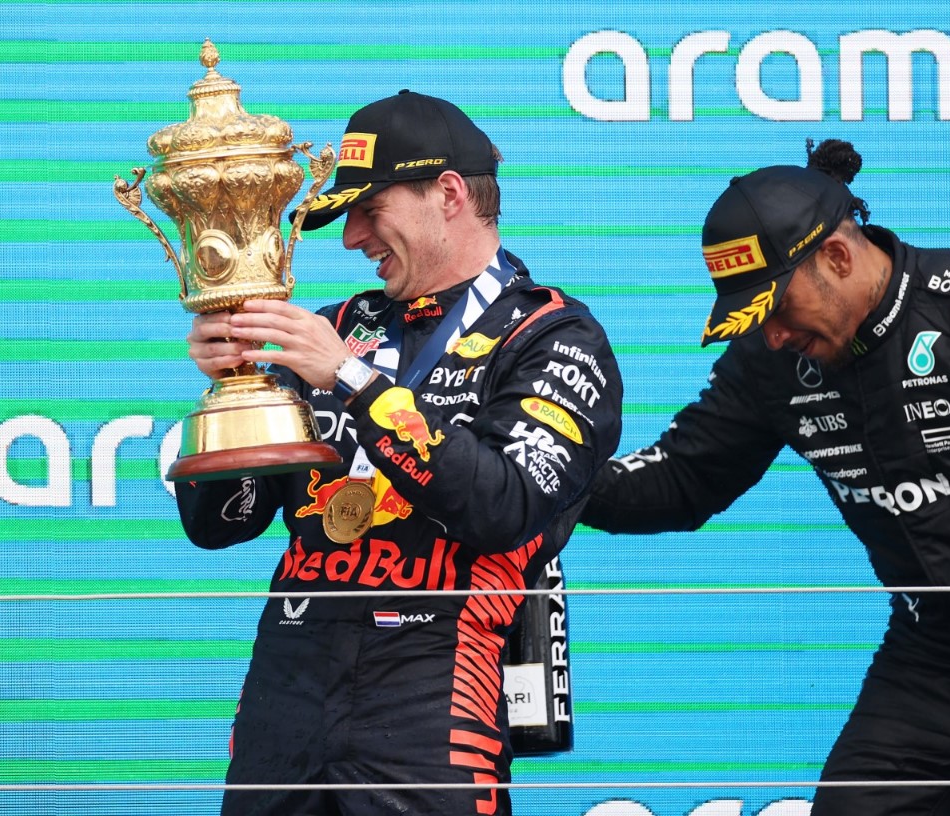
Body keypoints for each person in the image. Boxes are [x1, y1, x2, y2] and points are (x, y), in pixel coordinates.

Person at [580, 139, 950, 816]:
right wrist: (533, 479)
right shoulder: (771, 365)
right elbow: (682, 480)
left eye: (774, 307)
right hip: (927, 654)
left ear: (836, 255)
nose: (770, 335)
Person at [176, 90, 623, 816]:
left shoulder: (551, 338)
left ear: (447, 194)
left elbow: (503, 505)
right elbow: (221, 524)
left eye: (368, 209)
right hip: (285, 692)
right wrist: (234, 389)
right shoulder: (334, 328)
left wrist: (352, 382)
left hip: (433, 692)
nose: (352, 238)